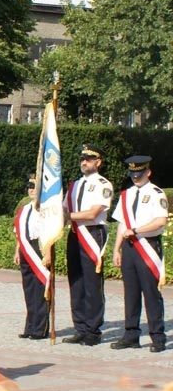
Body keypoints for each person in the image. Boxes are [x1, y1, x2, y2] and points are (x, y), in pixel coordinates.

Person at [111, 155, 168, 353]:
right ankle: (131, 334)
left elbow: (161, 222)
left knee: (151, 293)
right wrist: (116, 248)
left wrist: (136, 230)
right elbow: (121, 224)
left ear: (148, 172)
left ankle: (157, 337)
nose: (136, 177)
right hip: (129, 247)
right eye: (133, 173)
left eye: (139, 173)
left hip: (148, 245)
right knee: (131, 293)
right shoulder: (126, 194)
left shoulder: (156, 194)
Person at [63, 144, 112, 346]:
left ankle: (93, 330)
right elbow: (63, 208)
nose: (84, 162)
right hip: (75, 234)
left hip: (92, 234)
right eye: (82, 158)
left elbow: (93, 213)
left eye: (89, 159)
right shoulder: (73, 186)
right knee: (76, 282)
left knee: (92, 283)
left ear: (98, 162)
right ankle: (80, 327)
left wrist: (67, 216)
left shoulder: (103, 184)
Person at [13, 175, 49, 340]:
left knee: (40, 289)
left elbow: (50, 233)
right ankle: (30, 326)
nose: (32, 189)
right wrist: (17, 250)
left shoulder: (46, 208)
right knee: (29, 289)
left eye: (35, 186)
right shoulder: (24, 208)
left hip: (40, 247)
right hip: (25, 248)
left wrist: (48, 253)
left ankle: (40, 329)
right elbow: (18, 233)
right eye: (30, 186)